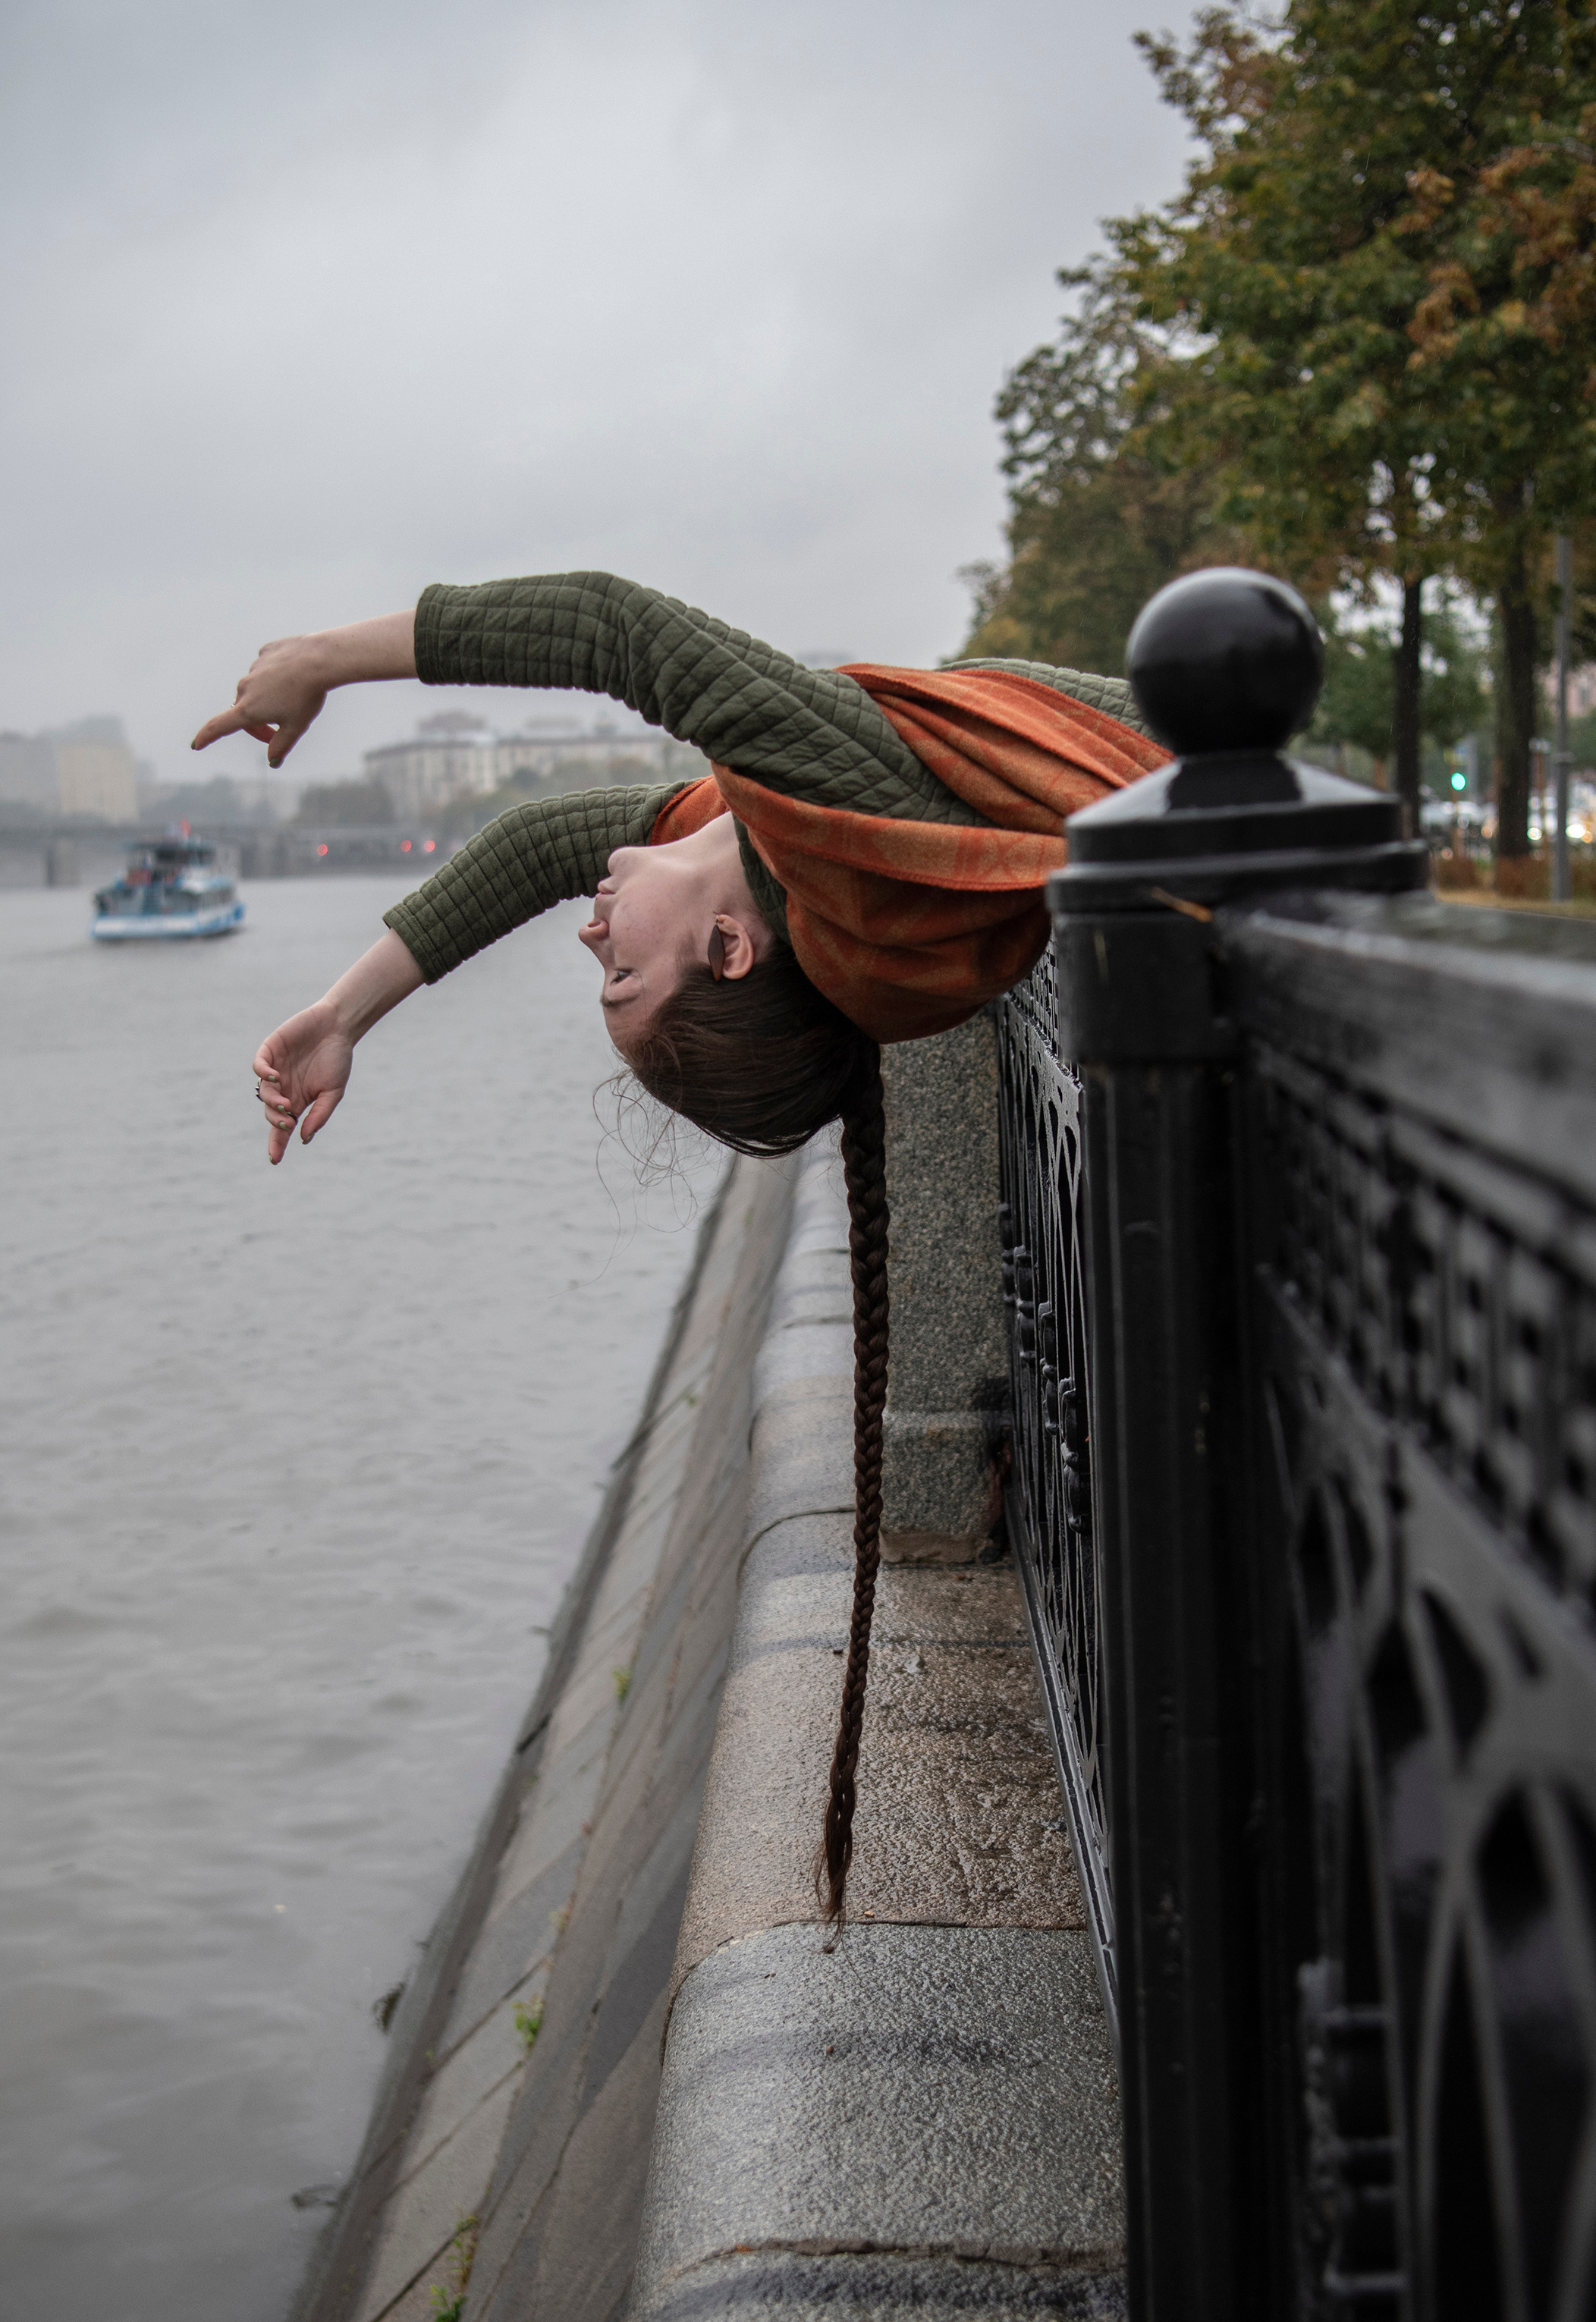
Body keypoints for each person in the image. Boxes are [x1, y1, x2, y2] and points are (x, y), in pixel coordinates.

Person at [196, 573, 1166, 1917]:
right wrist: (322, 659)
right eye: (618, 971)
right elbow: (613, 628)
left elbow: (540, 843)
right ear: (727, 949)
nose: (592, 928)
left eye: (599, 967)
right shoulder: (835, 833)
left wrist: (342, 1012)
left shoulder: (794, 862)